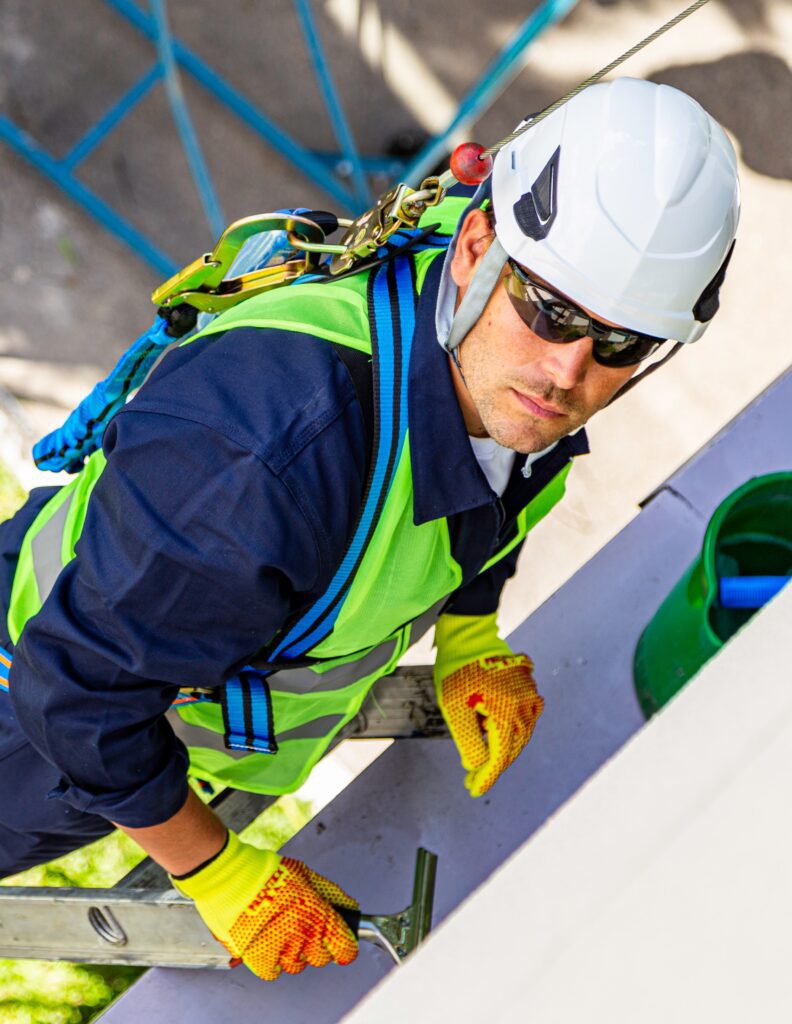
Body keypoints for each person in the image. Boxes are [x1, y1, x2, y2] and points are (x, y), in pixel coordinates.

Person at [0, 78, 739, 980]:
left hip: (142, 647)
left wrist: (470, 630)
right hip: (37, 710)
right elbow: (74, 696)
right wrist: (217, 869)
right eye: (550, 309)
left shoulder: (505, 377)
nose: (566, 372)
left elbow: (490, 495)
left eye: (619, 343)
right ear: (475, 245)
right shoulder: (265, 463)